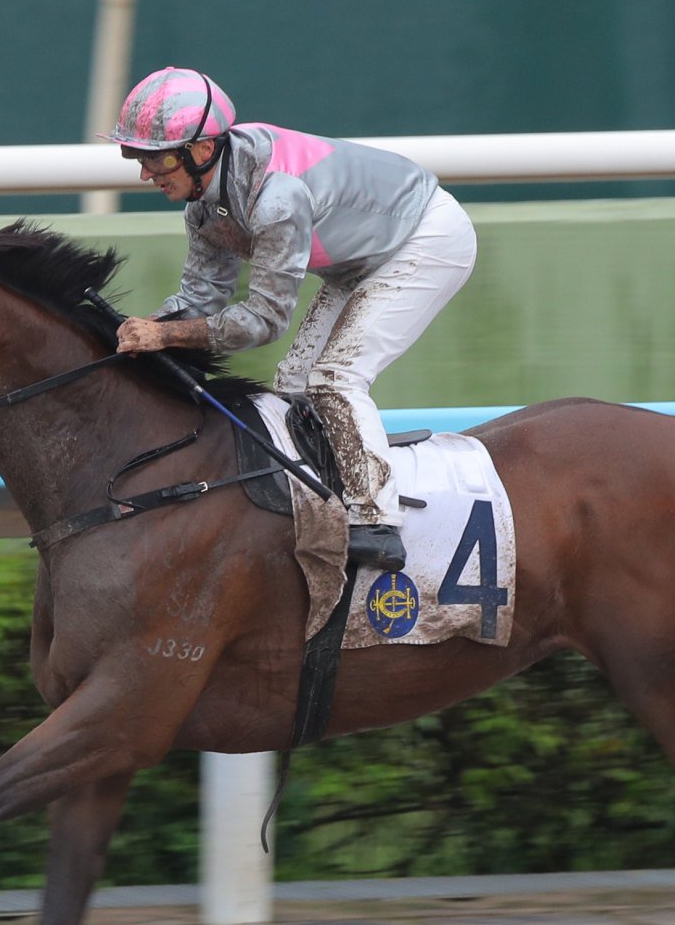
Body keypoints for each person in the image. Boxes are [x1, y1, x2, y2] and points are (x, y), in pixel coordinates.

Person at [108, 67, 478, 573]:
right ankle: (318, 498)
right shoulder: (203, 208)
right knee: (293, 384)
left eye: (158, 158)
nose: (146, 173)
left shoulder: (275, 198)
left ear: (201, 151)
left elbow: (264, 320)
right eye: (138, 157)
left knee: (336, 378)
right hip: (358, 263)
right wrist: (147, 328)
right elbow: (201, 298)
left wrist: (167, 335)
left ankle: (377, 522)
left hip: (427, 240)